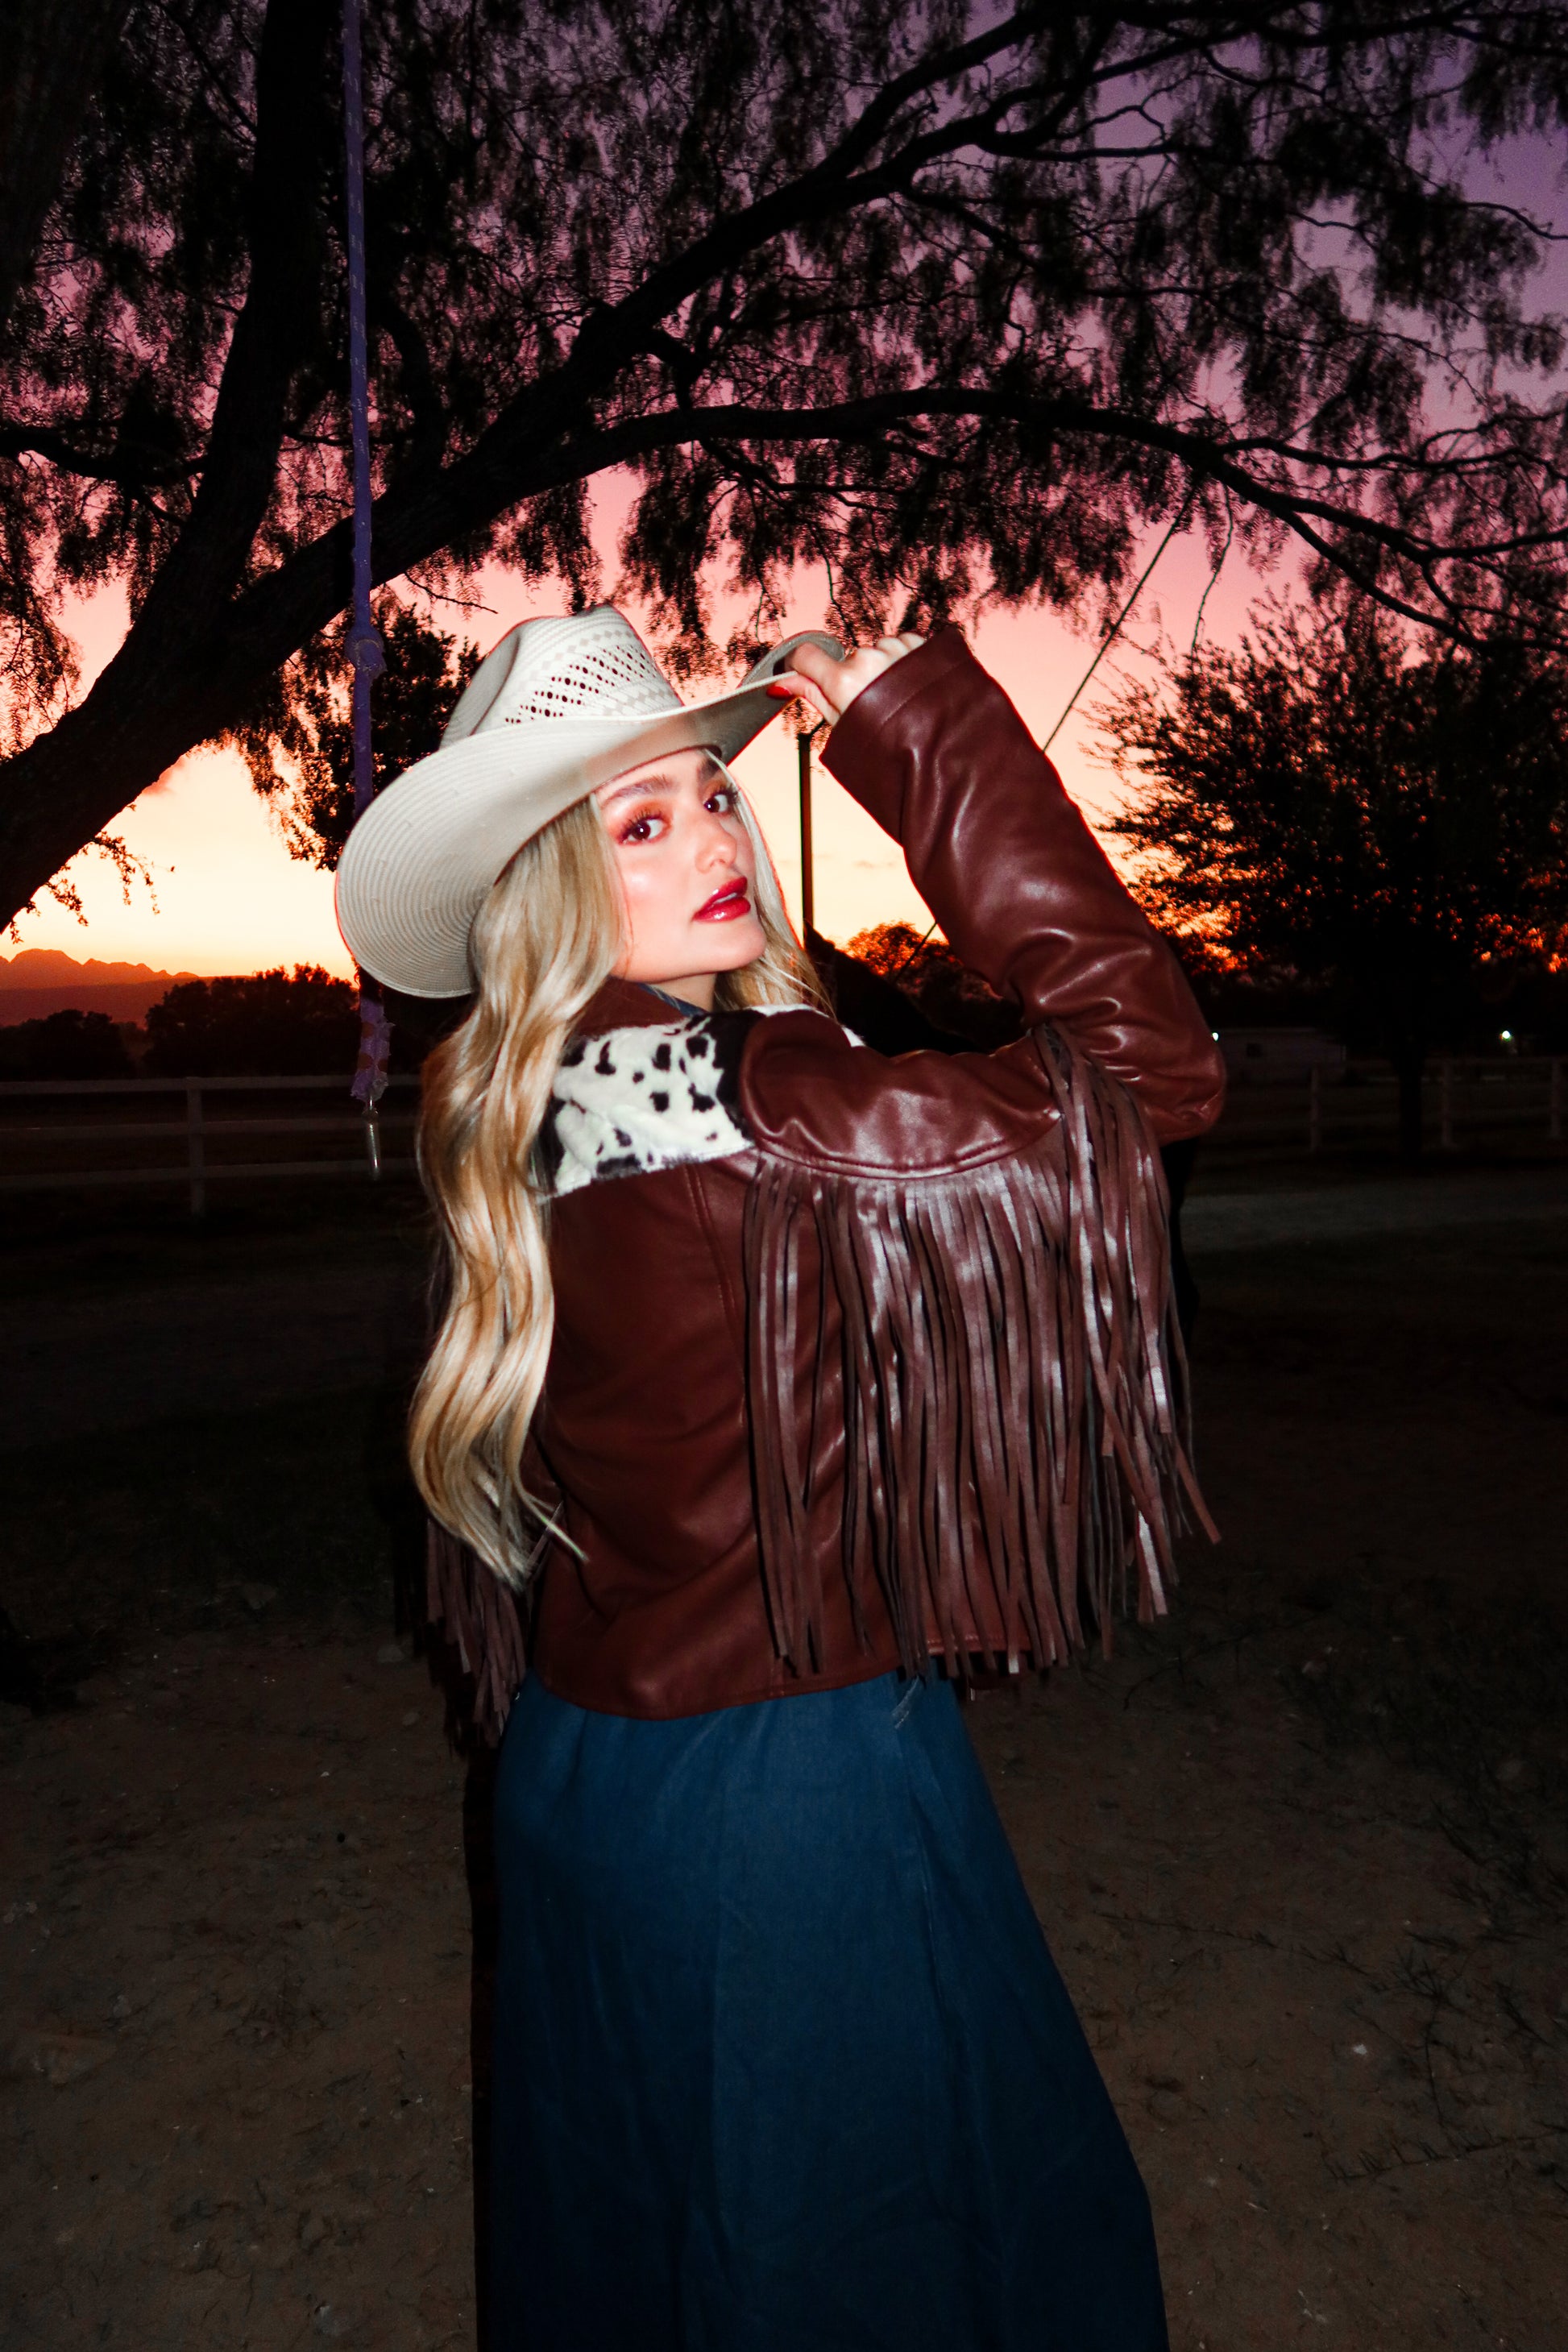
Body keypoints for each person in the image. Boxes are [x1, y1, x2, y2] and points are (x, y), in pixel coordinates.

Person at [335, 606, 1225, 2351]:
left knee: (643, 2221)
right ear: (548, 885)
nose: (717, 840)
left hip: (587, 1771)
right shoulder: (760, 1093)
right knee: (870, 2242)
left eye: (715, 795)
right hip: (790, 1783)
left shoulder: (522, 1108)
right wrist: (922, 732)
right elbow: (1148, 1072)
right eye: (640, 821)